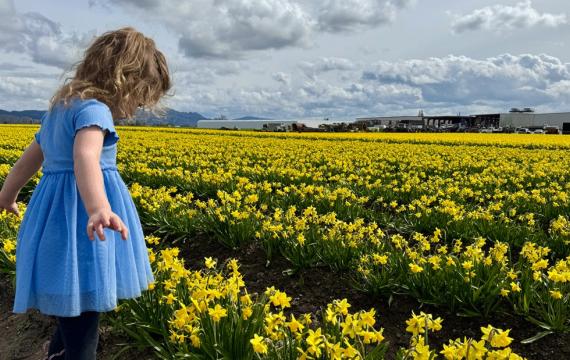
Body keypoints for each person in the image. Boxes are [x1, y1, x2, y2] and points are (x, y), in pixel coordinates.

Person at [0, 27, 171, 359]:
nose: (136, 108)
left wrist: (7, 195)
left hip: (54, 222)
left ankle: (57, 353)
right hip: (82, 227)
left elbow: (28, 160)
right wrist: (98, 207)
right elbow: (86, 155)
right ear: (124, 80)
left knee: (73, 309)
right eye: (139, 97)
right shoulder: (95, 111)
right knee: (84, 312)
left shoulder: (58, 110)